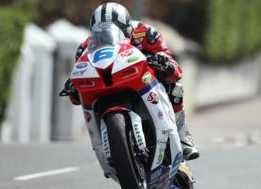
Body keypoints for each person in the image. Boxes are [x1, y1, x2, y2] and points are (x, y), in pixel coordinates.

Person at [63, 2, 199, 160]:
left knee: (175, 88)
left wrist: (164, 63)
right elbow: (75, 97)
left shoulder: (146, 33)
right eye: (100, 34)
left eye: (111, 31)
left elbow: (175, 70)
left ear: (127, 27)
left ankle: (183, 138)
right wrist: (73, 86)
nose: (105, 37)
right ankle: (107, 147)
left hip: (144, 82)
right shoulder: (84, 48)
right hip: (107, 88)